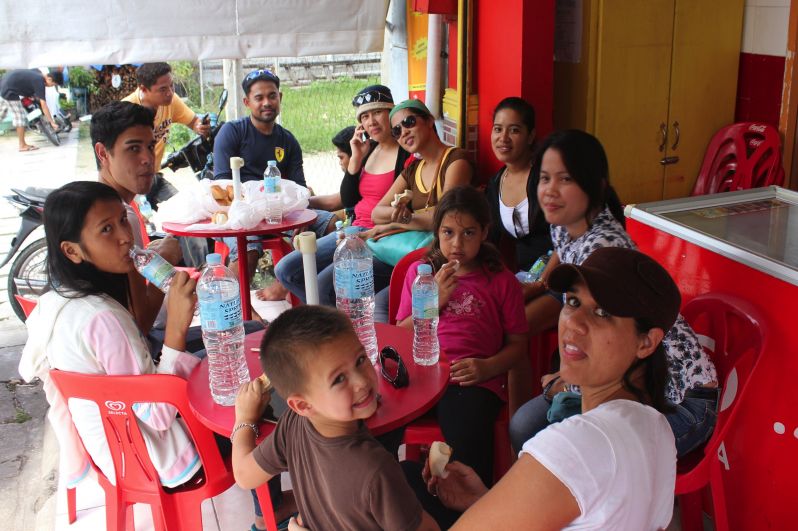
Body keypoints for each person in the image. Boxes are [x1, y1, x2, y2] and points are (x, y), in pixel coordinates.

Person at [17, 181, 283, 531]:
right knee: (251, 397)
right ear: (72, 250)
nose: (126, 237)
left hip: (116, 453)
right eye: (107, 229)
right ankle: (270, 513)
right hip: (156, 457)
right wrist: (176, 324)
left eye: (123, 222)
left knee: (229, 355)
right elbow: (157, 414)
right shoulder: (102, 318)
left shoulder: (57, 300)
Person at [424, 247, 678, 530]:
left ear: (646, 342)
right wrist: (485, 502)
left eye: (603, 313)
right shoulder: (656, 426)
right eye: (572, 301)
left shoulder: (578, 444)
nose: (574, 323)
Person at [509, 129, 719, 458]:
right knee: (529, 428)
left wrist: (569, 381)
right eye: (545, 178)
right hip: (622, 379)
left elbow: (616, 350)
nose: (550, 190)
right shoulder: (567, 222)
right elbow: (563, 266)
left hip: (677, 399)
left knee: (559, 446)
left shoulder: (605, 246)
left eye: (565, 179)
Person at [232, 305, 439, 531]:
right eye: (339, 379)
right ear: (302, 404)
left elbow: (244, 475)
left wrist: (244, 418)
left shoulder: (293, 422)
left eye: (360, 360)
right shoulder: (378, 470)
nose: (361, 382)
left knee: (410, 470)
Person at [89, 100, 263, 355]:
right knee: (257, 335)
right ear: (103, 153)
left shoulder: (97, 206)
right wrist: (166, 258)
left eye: (150, 146)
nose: (148, 159)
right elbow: (142, 322)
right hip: (146, 351)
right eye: (133, 149)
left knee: (248, 327)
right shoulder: (121, 218)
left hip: (134, 343)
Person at [396, 187, 528, 491]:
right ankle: (395, 498)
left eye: (468, 233)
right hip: (422, 375)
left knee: (467, 442)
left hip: (472, 381)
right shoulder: (421, 273)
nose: (457, 243)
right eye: (448, 232)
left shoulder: (501, 280)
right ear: (437, 231)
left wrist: (488, 368)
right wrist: (433, 302)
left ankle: (468, 509)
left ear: (484, 232)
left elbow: (518, 346)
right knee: (375, 425)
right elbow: (400, 334)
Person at [272, 85, 411, 304]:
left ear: (391, 113)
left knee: (322, 287)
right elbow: (348, 200)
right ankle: (338, 318)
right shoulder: (369, 150)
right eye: (364, 116)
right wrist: (356, 157)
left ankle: (338, 326)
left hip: (379, 235)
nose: (371, 122)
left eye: (377, 112)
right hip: (352, 228)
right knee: (286, 271)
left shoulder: (405, 152)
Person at [211, 68, 335, 292]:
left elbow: (299, 189)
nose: (267, 102)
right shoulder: (232, 132)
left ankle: (293, 286)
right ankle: (237, 313)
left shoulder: (288, 141)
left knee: (334, 226)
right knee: (247, 248)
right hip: (239, 215)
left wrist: (303, 215)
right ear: (247, 102)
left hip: (280, 214)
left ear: (280, 97)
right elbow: (223, 187)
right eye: (259, 98)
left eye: (272, 95)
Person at [366, 99, 475, 321]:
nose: (403, 132)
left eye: (409, 122)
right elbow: (377, 213)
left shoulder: (456, 160)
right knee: (343, 281)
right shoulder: (413, 169)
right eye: (396, 130)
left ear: (428, 121)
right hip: (404, 254)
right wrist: (408, 218)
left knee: (381, 307)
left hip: (440, 257)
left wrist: (399, 221)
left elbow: (444, 218)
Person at [122, 62, 211, 209]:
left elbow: (193, 121)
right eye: (163, 89)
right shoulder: (126, 110)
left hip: (153, 177)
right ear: (143, 89)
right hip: (130, 183)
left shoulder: (171, 101)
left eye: (172, 86)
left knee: (187, 212)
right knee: (140, 227)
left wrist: (200, 126)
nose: (170, 92)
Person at [484, 97, 552, 273]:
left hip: (559, 273)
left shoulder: (546, 178)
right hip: (524, 276)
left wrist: (541, 283)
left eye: (514, 130)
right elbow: (489, 239)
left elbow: (567, 236)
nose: (503, 138)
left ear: (530, 136)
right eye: (498, 129)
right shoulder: (495, 184)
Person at [0, 68, 62, 151]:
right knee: (20, 117)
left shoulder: (38, 72)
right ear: (49, 79)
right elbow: (44, 105)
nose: (52, 86)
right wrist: (51, 122)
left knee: (2, 114)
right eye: (53, 84)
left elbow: (25, 80)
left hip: (4, 84)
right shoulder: (39, 82)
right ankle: (22, 145)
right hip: (10, 90)